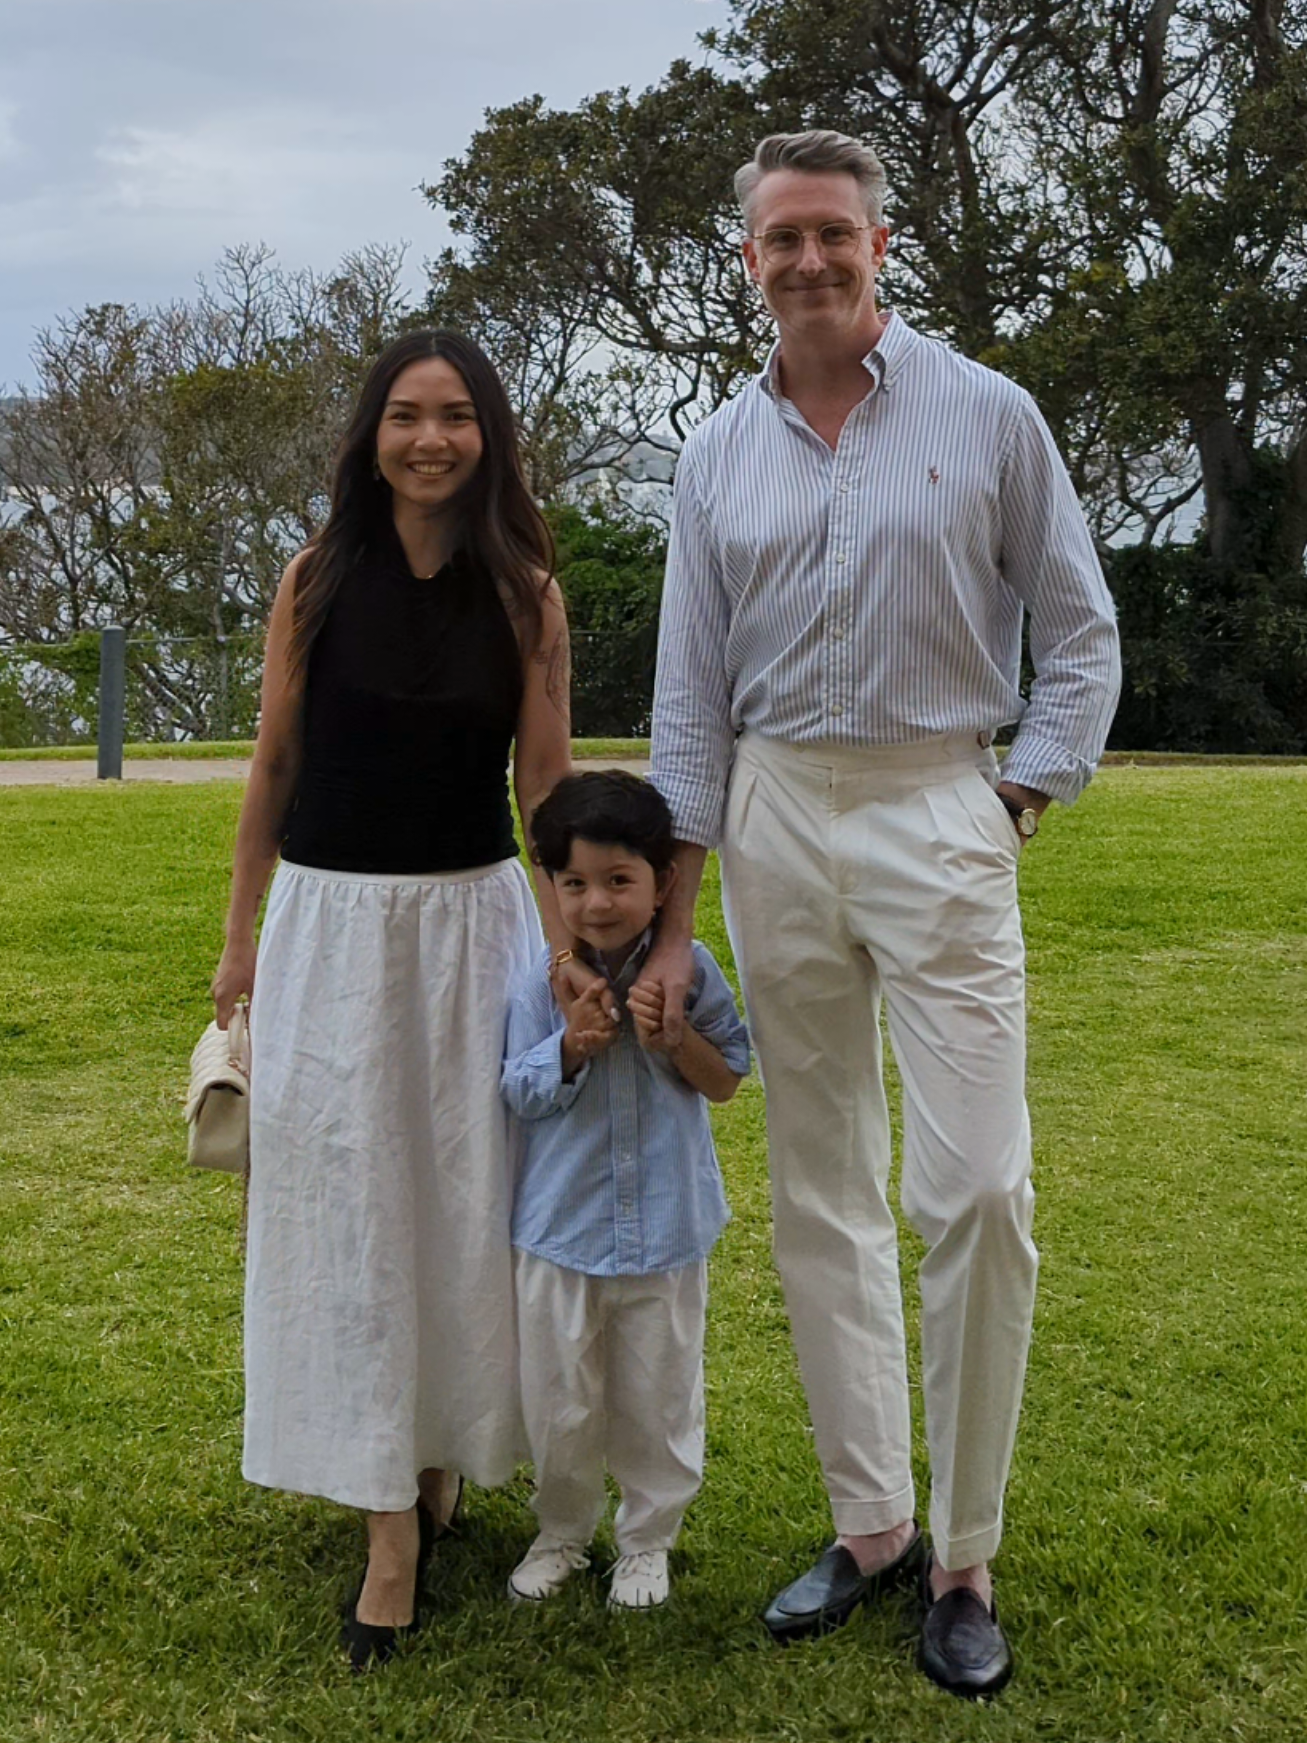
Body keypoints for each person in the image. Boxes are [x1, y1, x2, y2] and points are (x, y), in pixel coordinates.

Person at [642, 131, 1121, 1696]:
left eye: (829, 234)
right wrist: (670, 915)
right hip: (776, 805)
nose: (805, 260)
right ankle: (868, 1522)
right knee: (820, 1187)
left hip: (940, 796)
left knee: (976, 1188)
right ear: (746, 259)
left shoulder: (987, 414)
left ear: (879, 244)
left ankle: (965, 1551)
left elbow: (1075, 629)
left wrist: (1019, 794)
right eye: (778, 237)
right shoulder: (713, 454)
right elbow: (689, 707)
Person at [209, 329, 578, 1671]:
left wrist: (570, 950)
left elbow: (544, 784)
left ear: (487, 436)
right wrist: (239, 942)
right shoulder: (313, 579)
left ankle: (437, 1449)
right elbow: (271, 765)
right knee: (350, 1204)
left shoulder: (526, 593)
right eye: (407, 415)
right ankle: (388, 1532)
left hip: (472, 927)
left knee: (462, 1197)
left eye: (457, 416)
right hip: (330, 924)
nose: (431, 438)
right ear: (370, 436)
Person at [500, 771, 750, 1610]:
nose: (597, 904)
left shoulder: (690, 971)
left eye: (618, 881)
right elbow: (516, 1091)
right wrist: (570, 1047)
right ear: (551, 885)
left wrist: (674, 1040)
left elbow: (725, 1081)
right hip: (559, 1233)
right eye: (574, 883)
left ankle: (647, 1539)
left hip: (666, 1233)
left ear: (661, 882)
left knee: (659, 1396)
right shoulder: (539, 981)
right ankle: (562, 1529)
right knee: (560, 1398)